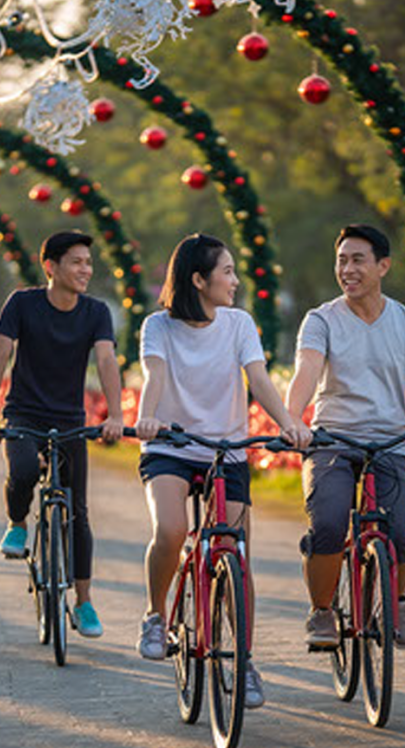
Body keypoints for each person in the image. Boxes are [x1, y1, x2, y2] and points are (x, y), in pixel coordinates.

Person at [133, 233, 311, 708]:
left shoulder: (238, 324)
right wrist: (148, 418)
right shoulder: (158, 326)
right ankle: (155, 614)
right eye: (227, 272)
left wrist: (290, 425)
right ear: (198, 279)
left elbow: (260, 382)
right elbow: (155, 376)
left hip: (227, 450)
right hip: (170, 446)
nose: (235, 281)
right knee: (172, 530)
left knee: (236, 550)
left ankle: (245, 660)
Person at [285, 224, 405, 651]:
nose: (347, 269)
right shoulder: (321, 320)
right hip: (332, 441)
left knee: (402, 536)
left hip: (390, 443)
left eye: (357, 259)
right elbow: (306, 372)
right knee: (327, 524)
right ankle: (323, 610)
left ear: (383, 266)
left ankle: (397, 598)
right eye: (341, 260)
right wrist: (292, 419)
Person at [0, 230, 125, 640]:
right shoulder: (22, 303)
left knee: (78, 511)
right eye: (76, 262)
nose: (85, 270)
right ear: (51, 267)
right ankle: (17, 522)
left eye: (88, 263)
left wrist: (116, 414)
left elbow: (107, 360)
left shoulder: (95, 312)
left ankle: (85, 601)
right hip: (23, 415)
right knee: (22, 470)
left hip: (71, 419)